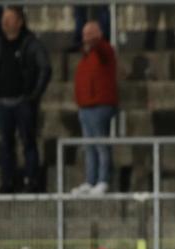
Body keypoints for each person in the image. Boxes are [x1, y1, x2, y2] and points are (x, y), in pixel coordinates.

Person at [0, 6, 51, 194]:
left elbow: (44, 68)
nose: (5, 22)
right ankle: (8, 181)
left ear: (20, 21)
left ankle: (32, 180)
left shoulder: (30, 43)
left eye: (10, 18)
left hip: (23, 102)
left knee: (28, 142)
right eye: (4, 18)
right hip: (2, 103)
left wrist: (34, 94)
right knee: (6, 144)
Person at [72, 21, 118, 196]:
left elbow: (102, 50)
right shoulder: (86, 56)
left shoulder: (105, 50)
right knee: (89, 146)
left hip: (100, 105)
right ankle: (90, 180)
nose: (87, 37)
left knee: (101, 145)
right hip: (85, 107)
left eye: (91, 33)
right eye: (85, 34)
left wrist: (96, 41)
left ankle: (103, 180)